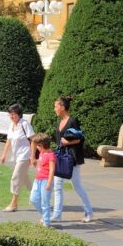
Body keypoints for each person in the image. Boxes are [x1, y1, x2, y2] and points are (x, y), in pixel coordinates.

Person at [52, 95, 93, 223]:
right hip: (61, 157)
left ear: (62, 107)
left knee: (77, 185)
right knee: (57, 186)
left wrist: (67, 143)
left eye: (56, 106)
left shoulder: (72, 121)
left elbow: (80, 138)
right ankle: (57, 215)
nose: (54, 109)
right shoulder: (59, 122)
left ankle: (89, 212)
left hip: (71, 158)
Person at [0, 103, 36, 212]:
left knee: (16, 177)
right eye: (10, 114)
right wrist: (4, 154)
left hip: (25, 156)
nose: (11, 116)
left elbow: (34, 140)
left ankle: (14, 203)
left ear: (19, 114)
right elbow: (9, 140)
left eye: (13, 114)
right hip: (16, 156)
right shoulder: (11, 125)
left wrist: (33, 156)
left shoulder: (25, 124)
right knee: (24, 178)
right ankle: (37, 197)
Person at [29, 132, 55, 227]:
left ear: (42, 145)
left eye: (38, 146)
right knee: (33, 199)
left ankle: (46, 223)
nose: (37, 148)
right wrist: (35, 161)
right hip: (38, 180)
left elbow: (52, 169)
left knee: (45, 202)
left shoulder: (50, 155)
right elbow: (41, 163)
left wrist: (49, 183)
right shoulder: (41, 153)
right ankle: (45, 215)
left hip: (45, 181)